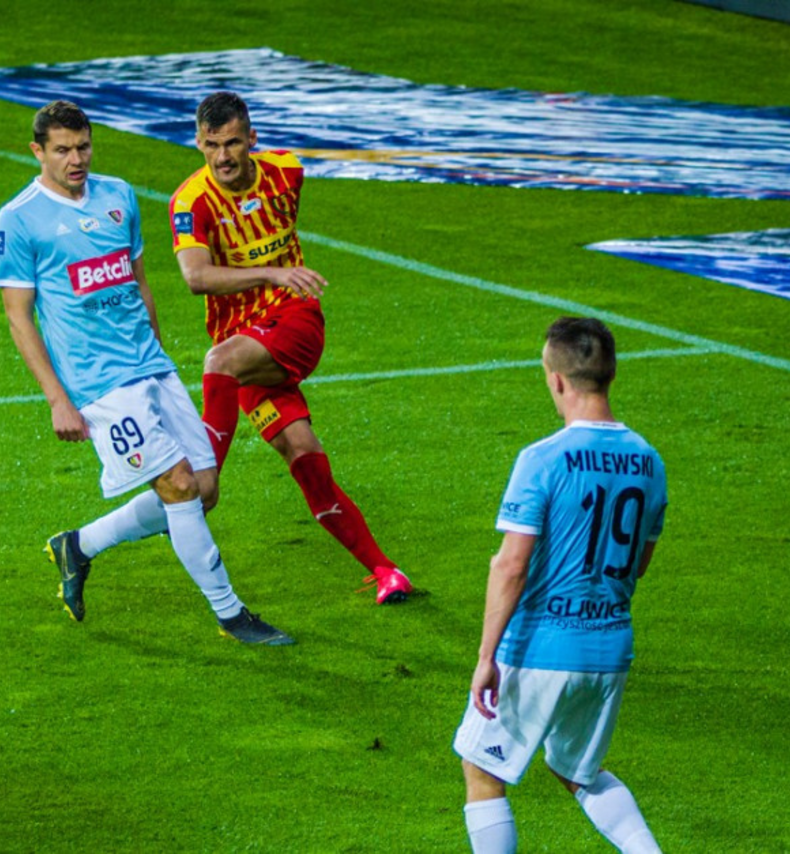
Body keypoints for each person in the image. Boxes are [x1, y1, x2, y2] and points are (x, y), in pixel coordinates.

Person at [0, 99, 292, 646]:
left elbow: (138, 280)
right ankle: (231, 615)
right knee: (178, 486)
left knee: (203, 490)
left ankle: (77, 546)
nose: (76, 160)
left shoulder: (118, 196)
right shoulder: (19, 219)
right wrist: (57, 398)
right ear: (38, 152)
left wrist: (156, 349)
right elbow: (18, 316)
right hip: (96, 381)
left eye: (83, 147)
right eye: (62, 151)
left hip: (149, 363)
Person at [168, 91, 412, 605]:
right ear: (198, 143)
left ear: (252, 139)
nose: (223, 156)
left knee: (218, 362)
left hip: (294, 321)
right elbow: (195, 277)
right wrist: (272, 270)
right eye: (212, 145)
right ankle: (386, 571)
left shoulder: (287, 173)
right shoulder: (190, 203)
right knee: (304, 454)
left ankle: (204, 481)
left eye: (233, 143)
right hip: (246, 352)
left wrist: (279, 280)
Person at [452, 317, 668, 853]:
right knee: (578, 770)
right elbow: (639, 563)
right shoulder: (650, 462)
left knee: (482, 768)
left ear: (556, 379)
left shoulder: (543, 459)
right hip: (610, 649)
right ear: (610, 374)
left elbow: (511, 565)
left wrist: (486, 656)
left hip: (540, 646)